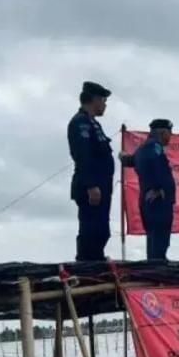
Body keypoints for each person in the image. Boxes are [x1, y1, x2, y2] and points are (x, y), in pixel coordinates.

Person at [68, 81, 115, 261]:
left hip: (102, 185)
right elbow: (83, 155)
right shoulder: (80, 122)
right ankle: (87, 265)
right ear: (94, 99)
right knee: (91, 230)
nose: (105, 105)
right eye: (103, 100)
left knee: (101, 230)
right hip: (91, 187)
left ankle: (96, 261)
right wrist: (91, 185)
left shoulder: (92, 123)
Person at [133, 119, 176, 260]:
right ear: (163, 133)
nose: (170, 136)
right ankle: (157, 267)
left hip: (151, 200)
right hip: (157, 201)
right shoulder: (153, 148)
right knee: (159, 240)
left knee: (155, 239)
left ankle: (155, 264)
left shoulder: (144, 148)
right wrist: (159, 188)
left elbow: (133, 161)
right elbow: (158, 169)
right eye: (169, 133)